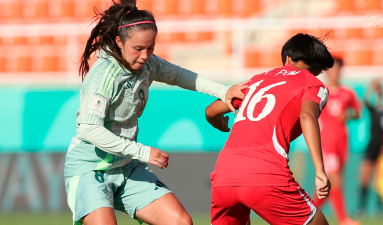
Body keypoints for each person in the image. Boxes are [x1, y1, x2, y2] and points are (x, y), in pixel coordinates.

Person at [63, 1, 247, 225]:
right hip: (90, 169)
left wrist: (223, 91)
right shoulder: (104, 75)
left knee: (180, 222)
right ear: (119, 42)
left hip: (126, 166)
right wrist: (141, 151)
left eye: (151, 48)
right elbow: (89, 128)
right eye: (138, 48)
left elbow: (180, 75)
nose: (145, 55)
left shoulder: (148, 64)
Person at [205, 33, 334, 225]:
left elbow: (210, 111)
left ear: (287, 58)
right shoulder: (313, 83)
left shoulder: (257, 80)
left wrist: (221, 125)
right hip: (265, 173)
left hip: (223, 175)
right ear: (317, 67)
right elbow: (307, 116)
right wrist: (320, 170)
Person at [313, 57, 361, 225]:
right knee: (334, 180)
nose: (334, 72)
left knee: (330, 184)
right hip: (326, 141)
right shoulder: (319, 91)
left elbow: (357, 112)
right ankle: (343, 220)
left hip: (342, 141)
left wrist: (348, 115)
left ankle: (307, 213)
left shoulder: (347, 92)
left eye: (337, 69)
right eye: (331, 69)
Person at [357, 79, 383, 216]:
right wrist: (372, 88)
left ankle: (379, 209)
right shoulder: (373, 109)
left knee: (381, 178)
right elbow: (366, 101)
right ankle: (361, 207)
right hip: (372, 146)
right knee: (365, 177)